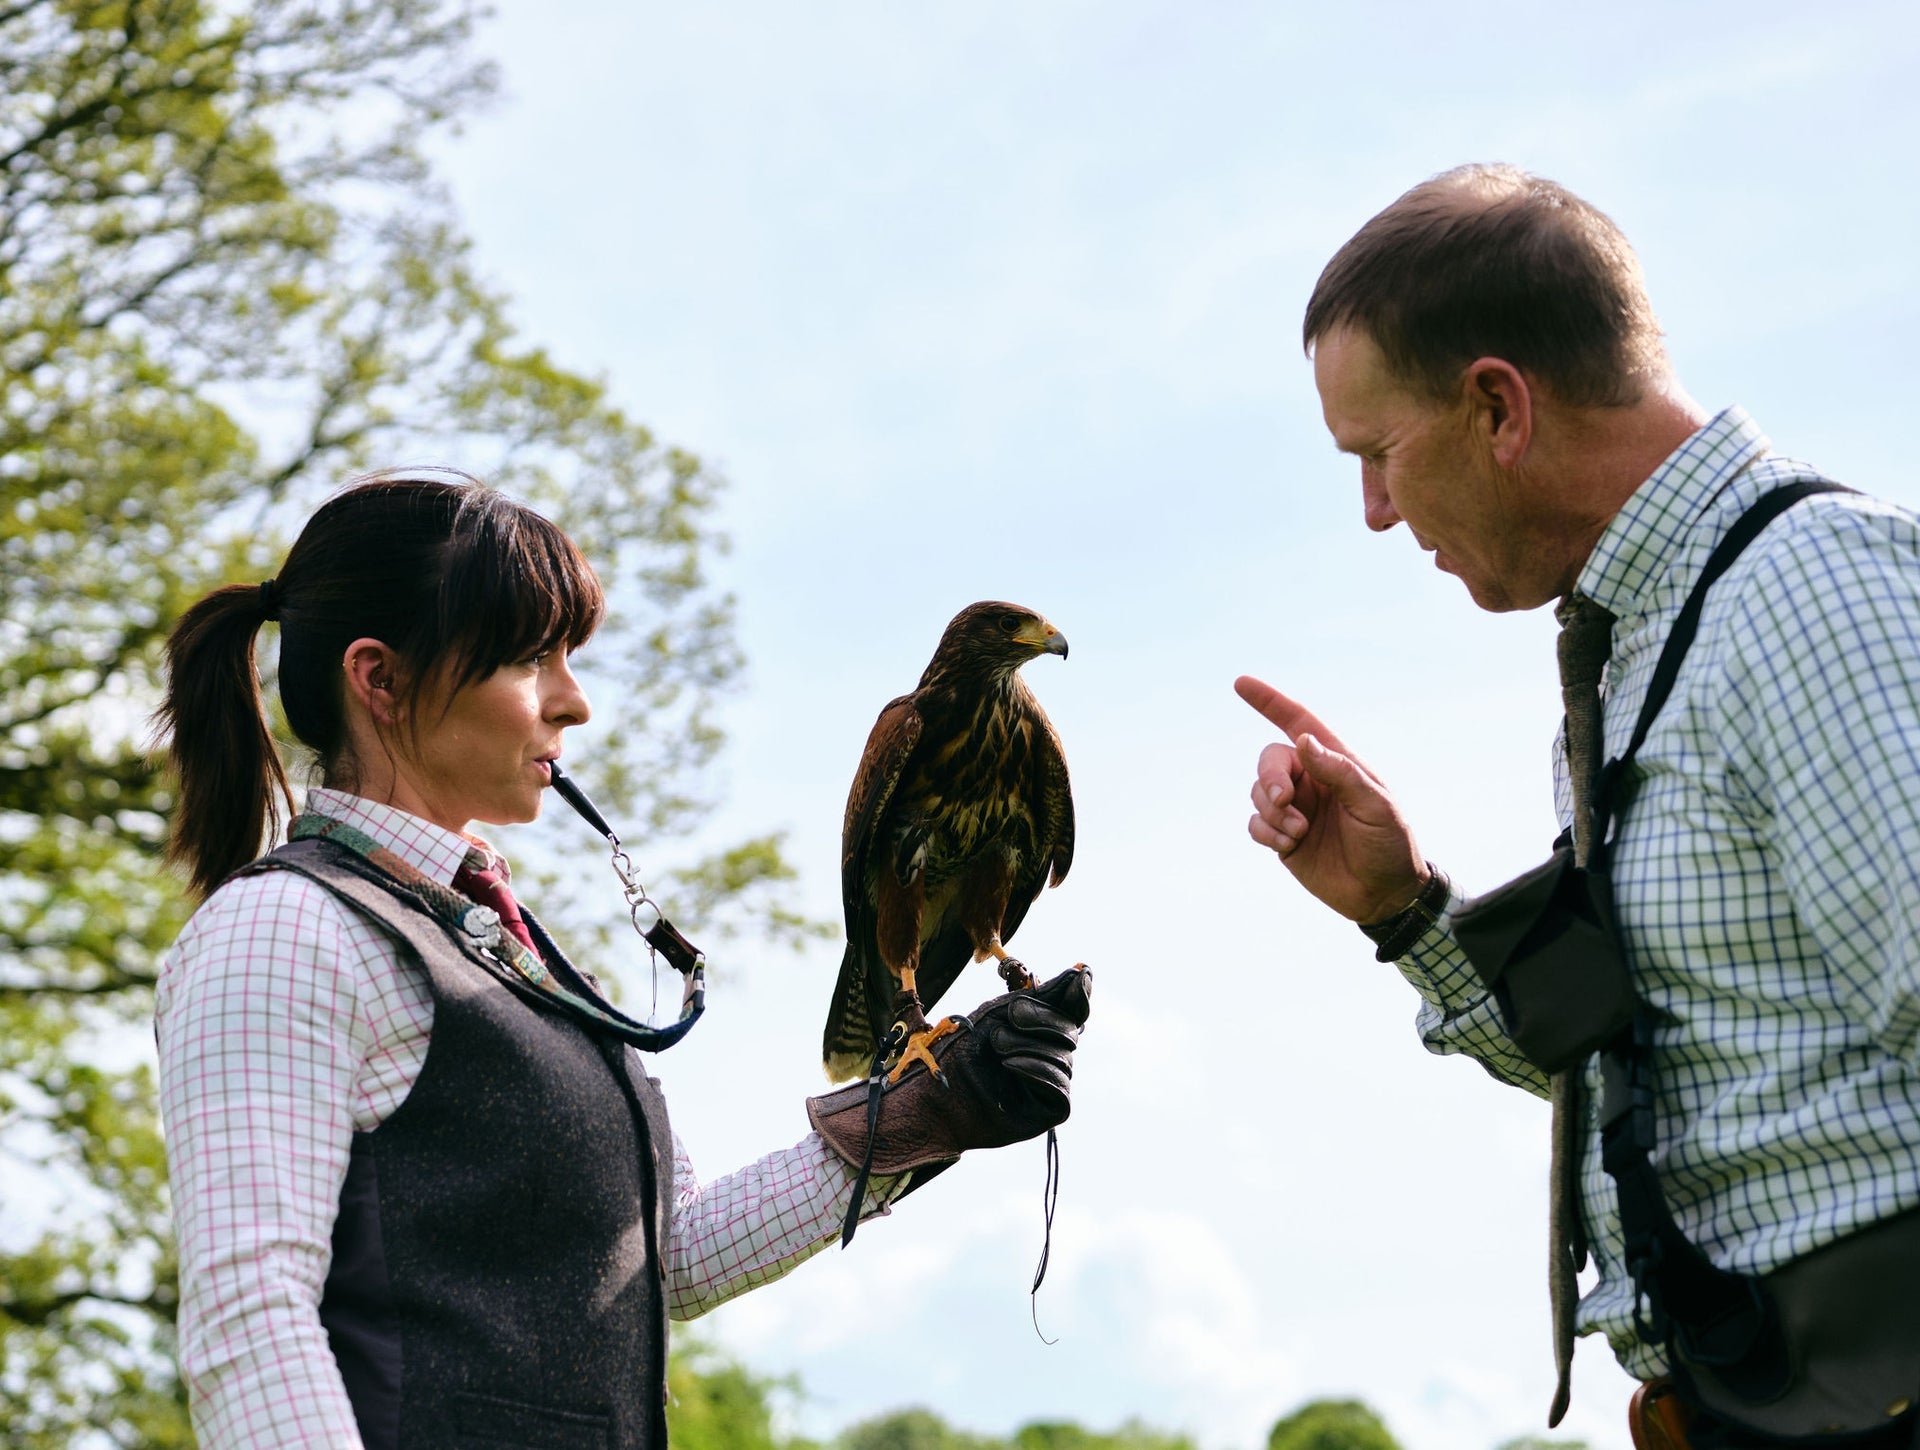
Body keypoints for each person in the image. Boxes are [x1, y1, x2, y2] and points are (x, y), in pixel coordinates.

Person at [153, 472, 1090, 1450]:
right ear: (379, 679)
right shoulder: (282, 933)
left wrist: (925, 1113)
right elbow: (250, 1328)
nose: (577, 703)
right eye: (532, 660)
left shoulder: (509, 952)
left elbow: (665, 1257)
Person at [1238, 165, 1920, 1448]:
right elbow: (1649, 1073)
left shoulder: (1807, 592)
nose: (1376, 514)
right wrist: (1404, 909)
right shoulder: (1652, 637)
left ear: (1497, 404)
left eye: (1378, 453)